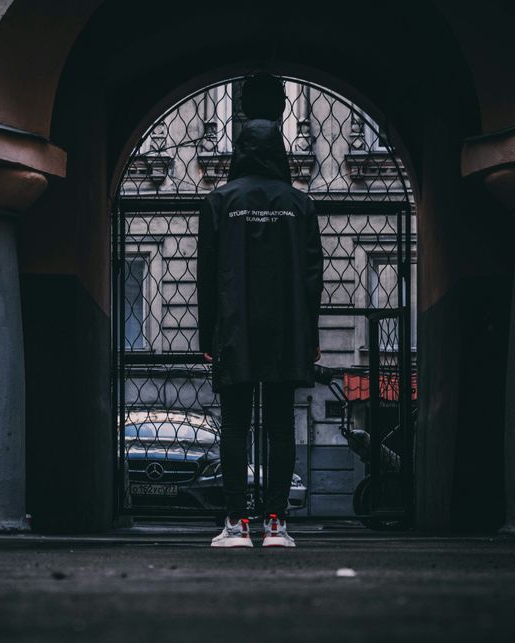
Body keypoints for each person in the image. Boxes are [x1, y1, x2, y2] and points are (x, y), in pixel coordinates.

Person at [197, 73, 324, 548]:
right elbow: (313, 277)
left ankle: (234, 524)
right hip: (287, 331)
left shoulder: (218, 202)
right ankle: (276, 525)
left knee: (233, 425)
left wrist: (206, 335)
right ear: (280, 153)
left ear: (238, 151)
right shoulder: (301, 205)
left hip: (233, 330)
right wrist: (309, 334)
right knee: (279, 426)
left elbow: (206, 276)